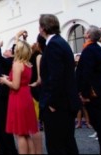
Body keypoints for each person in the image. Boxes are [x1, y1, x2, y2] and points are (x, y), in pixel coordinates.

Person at [38, 14, 80, 154]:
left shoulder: (54, 45)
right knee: (67, 142)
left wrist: (52, 102)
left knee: (57, 144)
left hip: (58, 105)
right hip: (64, 102)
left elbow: (56, 76)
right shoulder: (60, 42)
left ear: (43, 28)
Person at [75, 25, 101, 154]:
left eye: (86, 32)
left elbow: (87, 73)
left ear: (88, 35)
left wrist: (85, 93)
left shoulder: (89, 50)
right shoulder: (97, 49)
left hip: (94, 96)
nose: (84, 33)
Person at [0, 40, 38, 154]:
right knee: (26, 133)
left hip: (18, 98)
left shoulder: (17, 64)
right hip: (26, 96)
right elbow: (22, 80)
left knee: (20, 134)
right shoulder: (28, 64)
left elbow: (15, 86)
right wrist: (8, 78)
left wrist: (5, 81)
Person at [29, 34, 45, 154]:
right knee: (35, 124)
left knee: (33, 125)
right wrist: (36, 82)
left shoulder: (32, 58)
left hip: (32, 90)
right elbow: (40, 76)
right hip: (35, 90)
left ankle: (35, 150)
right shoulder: (38, 56)